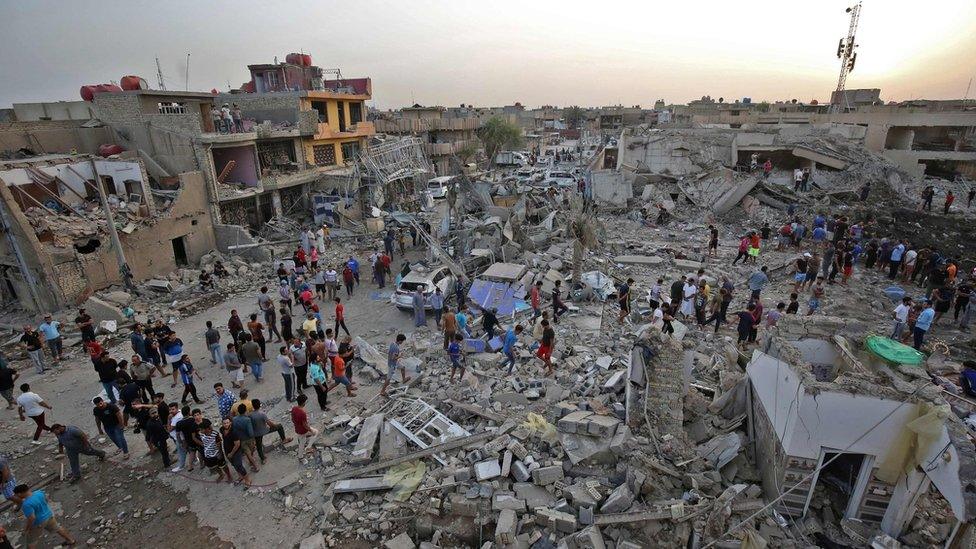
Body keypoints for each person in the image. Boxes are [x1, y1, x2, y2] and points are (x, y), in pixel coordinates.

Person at [250, 399, 293, 463]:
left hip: (256, 433)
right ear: (259, 405)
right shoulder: (262, 414)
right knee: (280, 426)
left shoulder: (250, 415)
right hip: (265, 430)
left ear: (253, 406)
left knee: (259, 446)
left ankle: (262, 458)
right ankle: (284, 439)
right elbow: (269, 423)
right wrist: (275, 425)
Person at [225, 414, 256, 482]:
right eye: (224, 423)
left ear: (230, 422)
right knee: (235, 464)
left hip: (238, 447)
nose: (226, 424)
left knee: (240, 464)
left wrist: (231, 453)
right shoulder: (223, 429)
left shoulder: (233, 431)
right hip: (230, 450)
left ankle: (247, 479)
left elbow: (237, 443)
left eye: (227, 422)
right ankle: (242, 476)